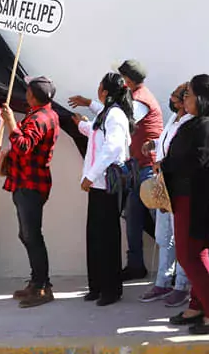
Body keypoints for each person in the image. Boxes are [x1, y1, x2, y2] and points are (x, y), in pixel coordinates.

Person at [71, 59, 163, 281]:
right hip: (137, 169)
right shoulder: (132, 99)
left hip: (147, 168)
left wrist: (91, 175)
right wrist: (90, 106)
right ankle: (135, 265)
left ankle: (172, 272)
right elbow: (111, 114)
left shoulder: (139, 102)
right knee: (132, 219)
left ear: (129, 81)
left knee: (161, 226)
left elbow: (120, 118)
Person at [162, 74, 209, 335]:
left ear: (201, 97)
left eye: (188, 94)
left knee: (187, 256)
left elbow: (197, 162)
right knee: (197, 253)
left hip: (194, 198)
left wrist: (166, 165)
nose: (184, 99)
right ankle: (197, 305)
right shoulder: (197, 122)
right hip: (185, 195)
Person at [1, 76, 60, 308]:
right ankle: (37, 282)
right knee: (27, 234)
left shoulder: (38, 119)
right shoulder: (48, 114)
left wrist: (10, 124)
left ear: (32, 96)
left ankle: (42, 286)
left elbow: (23, 146)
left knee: (32, 235)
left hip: (30, 184)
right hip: (31, 182)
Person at [76, 73, 133, 306]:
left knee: (107, 237)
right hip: (99, 186)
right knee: (95, 235)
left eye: (99, 86)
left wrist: (91, 176)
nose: (97, 89)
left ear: (106, 92)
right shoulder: (107, 113)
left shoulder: (116, 115)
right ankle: (97, 286)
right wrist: (80, 122)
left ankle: (110, 290)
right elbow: (96, 133)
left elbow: (112, 147)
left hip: (106, 184)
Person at [139, 83, 192, 307]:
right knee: (164, 237)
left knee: (180, 238)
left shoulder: (189, 123)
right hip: (163, 185)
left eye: (174, 97)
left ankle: (181, 285)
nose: (171, 101)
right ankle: (163, 281)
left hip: (176, 185)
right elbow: (166, 141)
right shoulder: (174, 120)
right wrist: (154, 143)